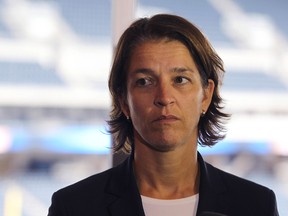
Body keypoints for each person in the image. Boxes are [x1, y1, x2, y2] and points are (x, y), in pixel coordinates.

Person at [48, 14, 279, 216]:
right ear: (123, 101)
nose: (164, 97)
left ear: (206, 96)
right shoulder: (73, 207)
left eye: (180, 80)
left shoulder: (255, 205)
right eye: (144, 82)